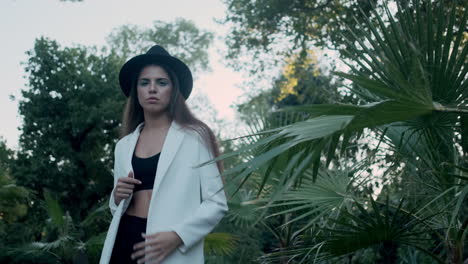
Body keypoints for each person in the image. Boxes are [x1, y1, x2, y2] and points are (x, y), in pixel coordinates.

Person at [99, 45, 229, 264]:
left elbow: (217, 203)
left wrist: (178, 236)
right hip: (125, 239)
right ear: (136, 90)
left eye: (161, 82)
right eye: (144, 82)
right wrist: (117, 196)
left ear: (173, 90)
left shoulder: (196, 137)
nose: (152, 89)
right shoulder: (123, 146)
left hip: (169, 247)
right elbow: (116, 208)